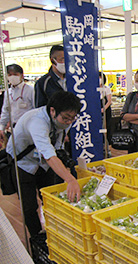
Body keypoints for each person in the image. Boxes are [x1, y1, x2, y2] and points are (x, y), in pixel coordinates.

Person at [7, 91, 81, 237]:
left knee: (50, 197)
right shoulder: (37, 121)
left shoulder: (65, 121)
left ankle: (55, 233)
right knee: (29, 206)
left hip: (43, 164)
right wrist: (70, 179)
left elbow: (57, 147)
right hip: (23, 163)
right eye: (66, 118)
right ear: (52, 110)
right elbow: (48, 154)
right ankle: (37, 237)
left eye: (72, 119)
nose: (68, 122)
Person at [0, 64, 35, 143]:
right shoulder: (8, 92)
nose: (12, 77)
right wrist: (1, 128)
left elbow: (36, 109)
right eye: (10, 75)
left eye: (15, 74)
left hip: (28, 129)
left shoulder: (30, 90)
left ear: (22, 76)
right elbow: (5, 111)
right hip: (12, 130)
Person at [99, 72, 113, 145]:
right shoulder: (94, 89)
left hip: (106, 111)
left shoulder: (106, 89)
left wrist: (103, 109)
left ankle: (108, 145)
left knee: (107, 127)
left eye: (100, 78)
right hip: (97, 111)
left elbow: (109, 101)